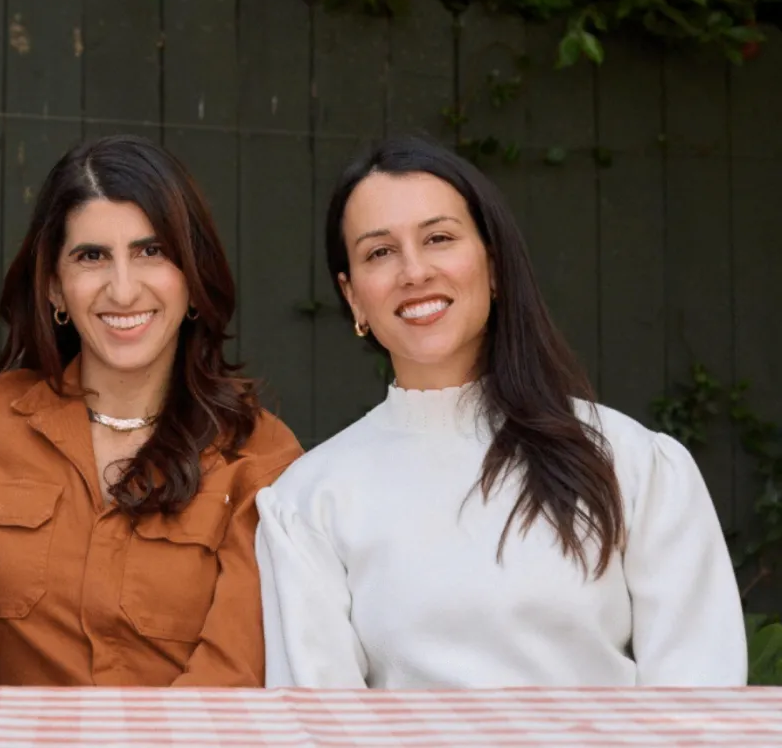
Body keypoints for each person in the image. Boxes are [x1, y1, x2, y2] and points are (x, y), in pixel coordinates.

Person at [257, 135, 747, 689]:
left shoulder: (631, 463)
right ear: (353, 297)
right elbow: (321, 725)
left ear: (492, 265)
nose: (414, 271)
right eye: (379, 252)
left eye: (439, 238)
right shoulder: (310, 500)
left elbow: (701, 700)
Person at [0, 134, 301, 686]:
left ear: (193, 281)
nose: (123, 290)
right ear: (56, 288)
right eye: (92, 257)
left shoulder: (261, 457)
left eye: (151, 251)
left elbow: (227, 683)